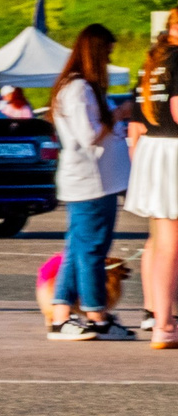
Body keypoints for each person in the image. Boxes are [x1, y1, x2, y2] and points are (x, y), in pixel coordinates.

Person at [45, 24, 131, 340]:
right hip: (91, 184)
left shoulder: (79, 87)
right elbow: (88, 135)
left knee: (77, 249)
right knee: (92, 251)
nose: (108, 62)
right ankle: (97, 316)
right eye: (106, 54)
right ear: (94, 53)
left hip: (94, 182)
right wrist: (120, 114)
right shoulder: (79, 88)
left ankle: (61, 316)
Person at [128, 22, 178, 349]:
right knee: (170, 244)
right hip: (173, 147)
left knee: (158, 242)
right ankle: (164, 324)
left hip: (152, 150)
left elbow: (134, 126)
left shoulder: (152, 62)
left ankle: (156, 315)